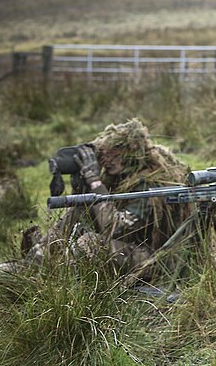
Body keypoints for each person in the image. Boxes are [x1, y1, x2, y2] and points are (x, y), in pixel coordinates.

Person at [19, 119, 191, 277]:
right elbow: (88, 213)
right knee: (79, 208)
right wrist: (82, 184)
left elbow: (115, 227)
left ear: (132, 154)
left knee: (90, 243)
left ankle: (52, 272)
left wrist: (95, 181)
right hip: (129, 246)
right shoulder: (121, 177)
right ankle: (38, 257)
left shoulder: (149, 184)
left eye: (115, 155)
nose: (107, 160)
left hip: (155, 257)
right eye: (104, 154)